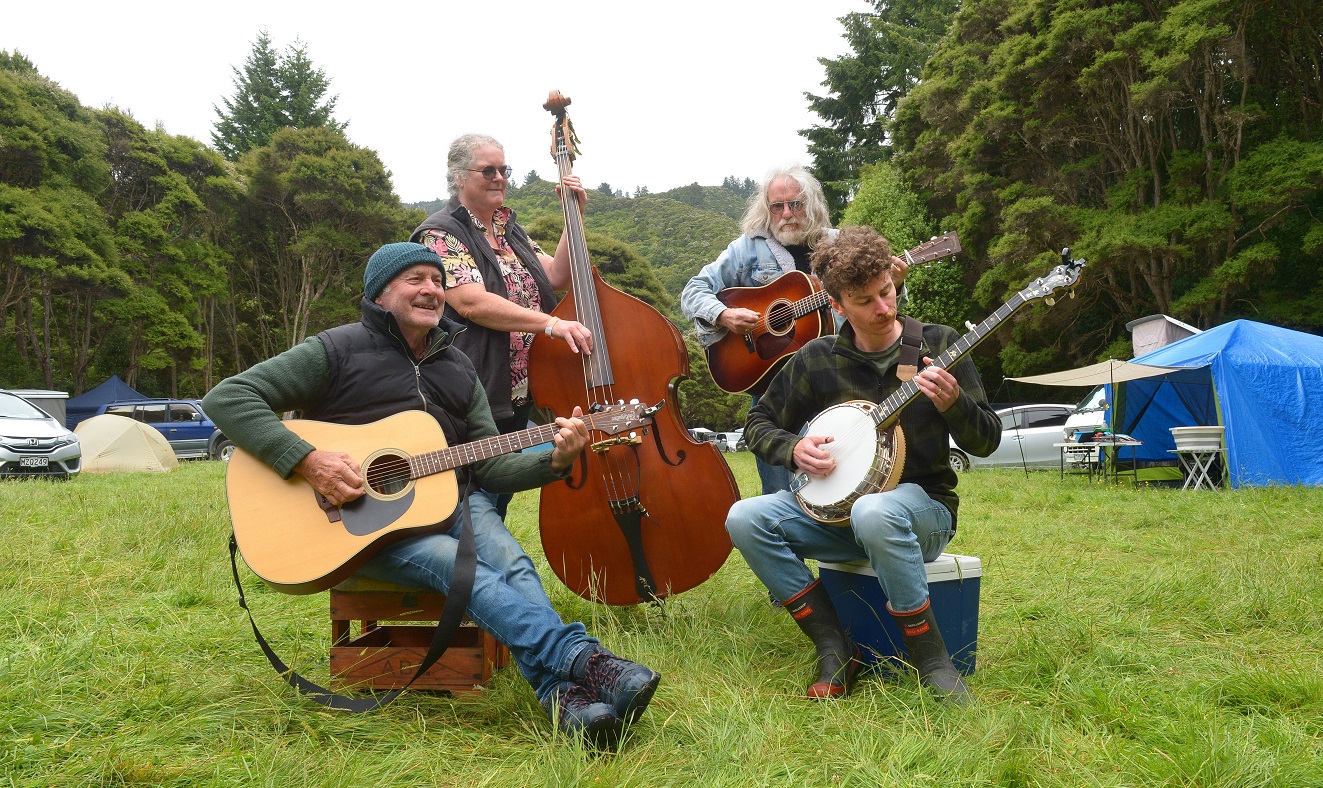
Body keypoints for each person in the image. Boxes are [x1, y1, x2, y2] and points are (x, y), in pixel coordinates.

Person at [203, 242, 659, 750]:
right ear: (380, 292)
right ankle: (586, 660)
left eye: (438, 281)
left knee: (513, 566)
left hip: (458, 502)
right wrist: (309, 461)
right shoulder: (335, 350)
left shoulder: (459, 368)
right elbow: (227, 397)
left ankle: (562, 697)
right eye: (415, 278)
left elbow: (489, 463)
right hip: (364, 527)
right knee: (457, 566)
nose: (431, 290)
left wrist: (556, 459)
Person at [725, 226, 1000, 705]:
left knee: (874, 512)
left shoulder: (939, 343)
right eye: (865, 301)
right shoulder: (816, 358)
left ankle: (932, 659)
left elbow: (988, 441)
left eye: (886, 292)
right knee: (744, 518)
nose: (884, 308)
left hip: (922, 513)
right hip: (838, 518)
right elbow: (758, 422)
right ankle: (835, 646)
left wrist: (955, 404)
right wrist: (793, 449)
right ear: (837, 306)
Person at [680, 165, 908, 495]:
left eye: (796, 204)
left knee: (848, 485)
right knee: (779, 497)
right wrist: (723, 314)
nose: (787, 213)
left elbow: (879, 308)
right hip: (775, 390)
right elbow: (694, 290)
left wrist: (895, 286)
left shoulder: (840, 245)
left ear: (812, 203)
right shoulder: (747, 248)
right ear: (767, 208)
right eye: (777, 206)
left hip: (838, 381)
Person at [409, 134, 590, 519]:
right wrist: (552, 324)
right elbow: (471, 302)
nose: (499, 178)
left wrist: (573, 217)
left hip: (518, 390)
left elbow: (558, 275)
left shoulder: (509, 230)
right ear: (458, 176)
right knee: (471, 497)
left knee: (501, 489)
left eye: (503, 170)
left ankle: (482, 570)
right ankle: (466, 569)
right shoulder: (441, 233)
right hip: (472, 386)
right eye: (488, 170)